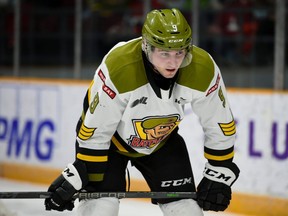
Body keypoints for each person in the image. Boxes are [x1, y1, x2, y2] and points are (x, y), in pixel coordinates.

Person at [44, 8, 240, 216]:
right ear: (147, 46)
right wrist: (80, 171)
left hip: (162, 142)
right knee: (101, 209)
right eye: (164, 53)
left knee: (187, 211)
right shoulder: (120, 67)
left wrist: (220, 169)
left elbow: (219, 122)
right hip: (109, 144)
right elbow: (96, 126)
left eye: (179, 53)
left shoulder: (203, 69)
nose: (173, 62)